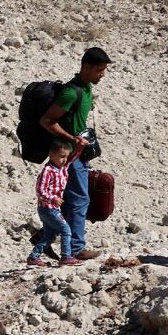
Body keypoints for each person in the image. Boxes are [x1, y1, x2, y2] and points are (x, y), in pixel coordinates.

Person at [38, 46, 112, 261]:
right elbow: (47, 121)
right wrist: (72, 140)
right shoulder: (72, 92)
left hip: (78, 153)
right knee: (80, 199)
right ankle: (77, 248)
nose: (103, 74)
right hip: (70, 155)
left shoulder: (86, 88)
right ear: (86, 67)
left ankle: (44, 238)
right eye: (99, 70)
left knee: (69, 200)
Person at [27, 139, 84, 267]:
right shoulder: (48, 171)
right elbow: (40, 190)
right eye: (61, 156)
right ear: (51, 155)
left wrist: (79, 147)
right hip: (47, 208)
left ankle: (33, 257)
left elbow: (72, 158)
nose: (64, 159)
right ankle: (66, 256)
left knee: (49, 235)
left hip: (53, 209)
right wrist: (52, 198)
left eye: (66, 157)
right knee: (65, 229)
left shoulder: (63, 168)